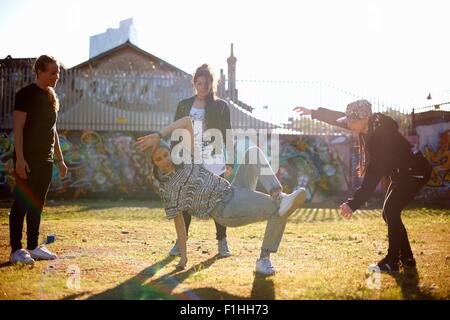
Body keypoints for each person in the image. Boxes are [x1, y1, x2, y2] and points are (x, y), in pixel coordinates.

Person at [135, 116, 306, 275]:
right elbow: (179, 223)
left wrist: (158, 135)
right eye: (159, 159)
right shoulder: (168, 190)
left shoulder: (188, 161)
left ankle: (278, 195)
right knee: (279, 209)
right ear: (154, 164)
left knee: (253, 152)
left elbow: (187, 121)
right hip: (224, 209)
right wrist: (183, 256)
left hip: (233, 190)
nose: (165, 160)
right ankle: (264, 259)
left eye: (166, 154)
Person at [294, 100, 432, 272]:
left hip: (414, 171)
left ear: (364, 118)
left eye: (352, 120)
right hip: (403, 173)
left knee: (391, 211)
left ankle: (392, 261)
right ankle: (407, 258)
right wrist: (314, 112)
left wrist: (353, 204)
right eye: (349, 119)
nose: (348, 123)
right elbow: (338, 118)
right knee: (389, 213)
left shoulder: (382, 138)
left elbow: (372, 178)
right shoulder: (366, 125)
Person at [169, 64, 233, 258]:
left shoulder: (221, 106)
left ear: (211, 84)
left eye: (206, 83)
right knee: (185, 201)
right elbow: (176, 132)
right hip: (188, 158)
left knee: (217, 201)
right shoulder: (183, 105)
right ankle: (181, 243)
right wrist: (174, 158)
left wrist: (229, 162)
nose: (202, 87)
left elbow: (227, 133)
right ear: (194, 83)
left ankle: (222, 243)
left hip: (214, 160)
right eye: (199, 82)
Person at [9, 55, 68, 265]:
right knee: (22, 203)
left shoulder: (51, 96)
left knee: (37, 204)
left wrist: (60, 160)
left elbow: (53, 132)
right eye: (52, 72)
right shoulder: (25, 94)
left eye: (58, 72)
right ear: (39, 72)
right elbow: (18, 129)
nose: (57, 76)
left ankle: (33, 247)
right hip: (28, 159)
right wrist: (20, 159)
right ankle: (16, 250)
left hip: (46, 160)